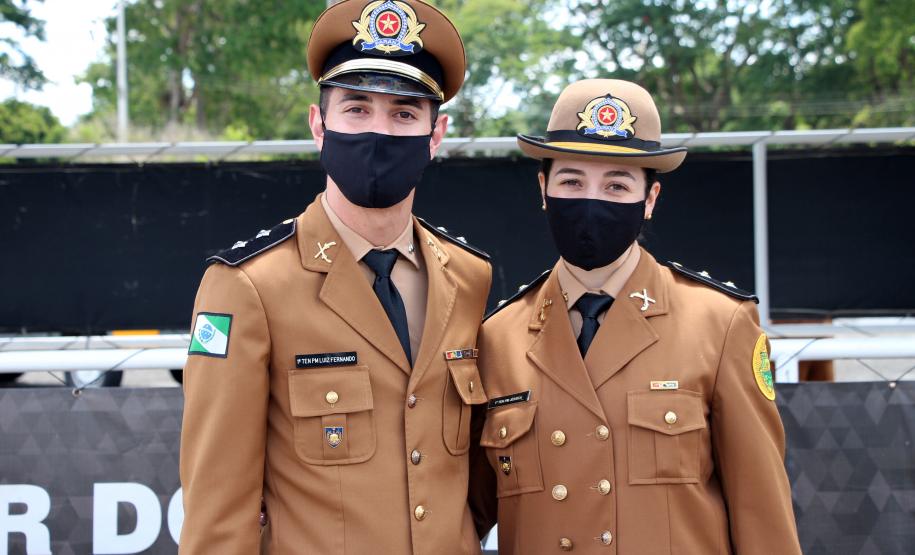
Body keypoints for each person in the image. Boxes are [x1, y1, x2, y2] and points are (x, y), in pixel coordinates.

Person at [179, 1, 492, 553]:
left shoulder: (468, 277)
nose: (379, 131)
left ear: (436, 133)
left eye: (403, 113)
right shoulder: (249, 285)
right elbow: (218, 507)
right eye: (356, 109)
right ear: (319, 126)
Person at [469, 79, 801, 554]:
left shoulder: (719, 325)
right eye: (572, 181)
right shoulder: (497, 338)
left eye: (617, 185)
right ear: (543, 189)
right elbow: (466, 514)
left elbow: (762, 513)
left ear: (649, 199)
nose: (591, 201)